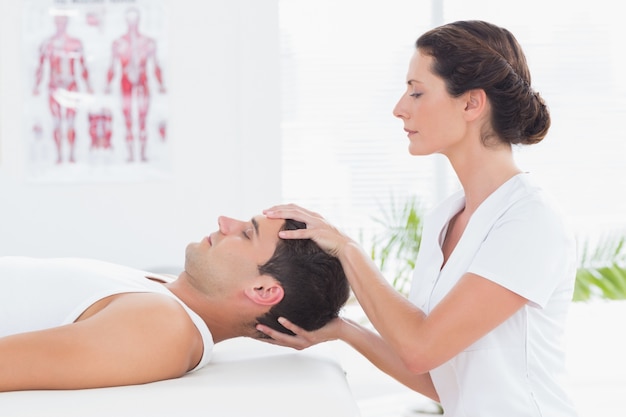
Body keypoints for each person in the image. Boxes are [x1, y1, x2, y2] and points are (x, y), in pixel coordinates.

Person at [257, 20, 579, 417]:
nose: (400, 108)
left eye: (417, 92)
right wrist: (342, 329)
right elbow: (439, 376)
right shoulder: (445, 218)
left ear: (470, 104)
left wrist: (346, 248)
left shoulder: (531, 222)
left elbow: (421, 347)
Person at [0, 214, 350, 392]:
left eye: (246, 233)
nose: (225, 222)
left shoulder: (163, 328)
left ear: (262, 291)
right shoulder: (168, 291)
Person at [105, 7, 167, 162]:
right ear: (126, 21)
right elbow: (112, 66)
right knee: (127, 118)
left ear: (139, 21)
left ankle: (143, 154)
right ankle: (131, 154)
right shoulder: (118, 43)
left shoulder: (148, 42)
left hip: (142, 81)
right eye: (129, 20)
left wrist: (161, 83)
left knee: (142, 118)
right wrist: (107, 84)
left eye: (135, 20)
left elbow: (156, 65)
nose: (132, 23)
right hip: (125, 82)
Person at [33, 14, 94, 164]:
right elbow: (41, 67)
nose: (61, 25)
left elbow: (83, 66)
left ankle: (72, 155)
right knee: (56, 122)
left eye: (63, 22)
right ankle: (59, 155)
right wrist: (36, 86)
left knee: (71, 122)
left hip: (72, 86)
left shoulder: (75, 43)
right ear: (55, 23)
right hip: (54, 87)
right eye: (58, 22)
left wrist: (88, 86)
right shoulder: (48, 44)